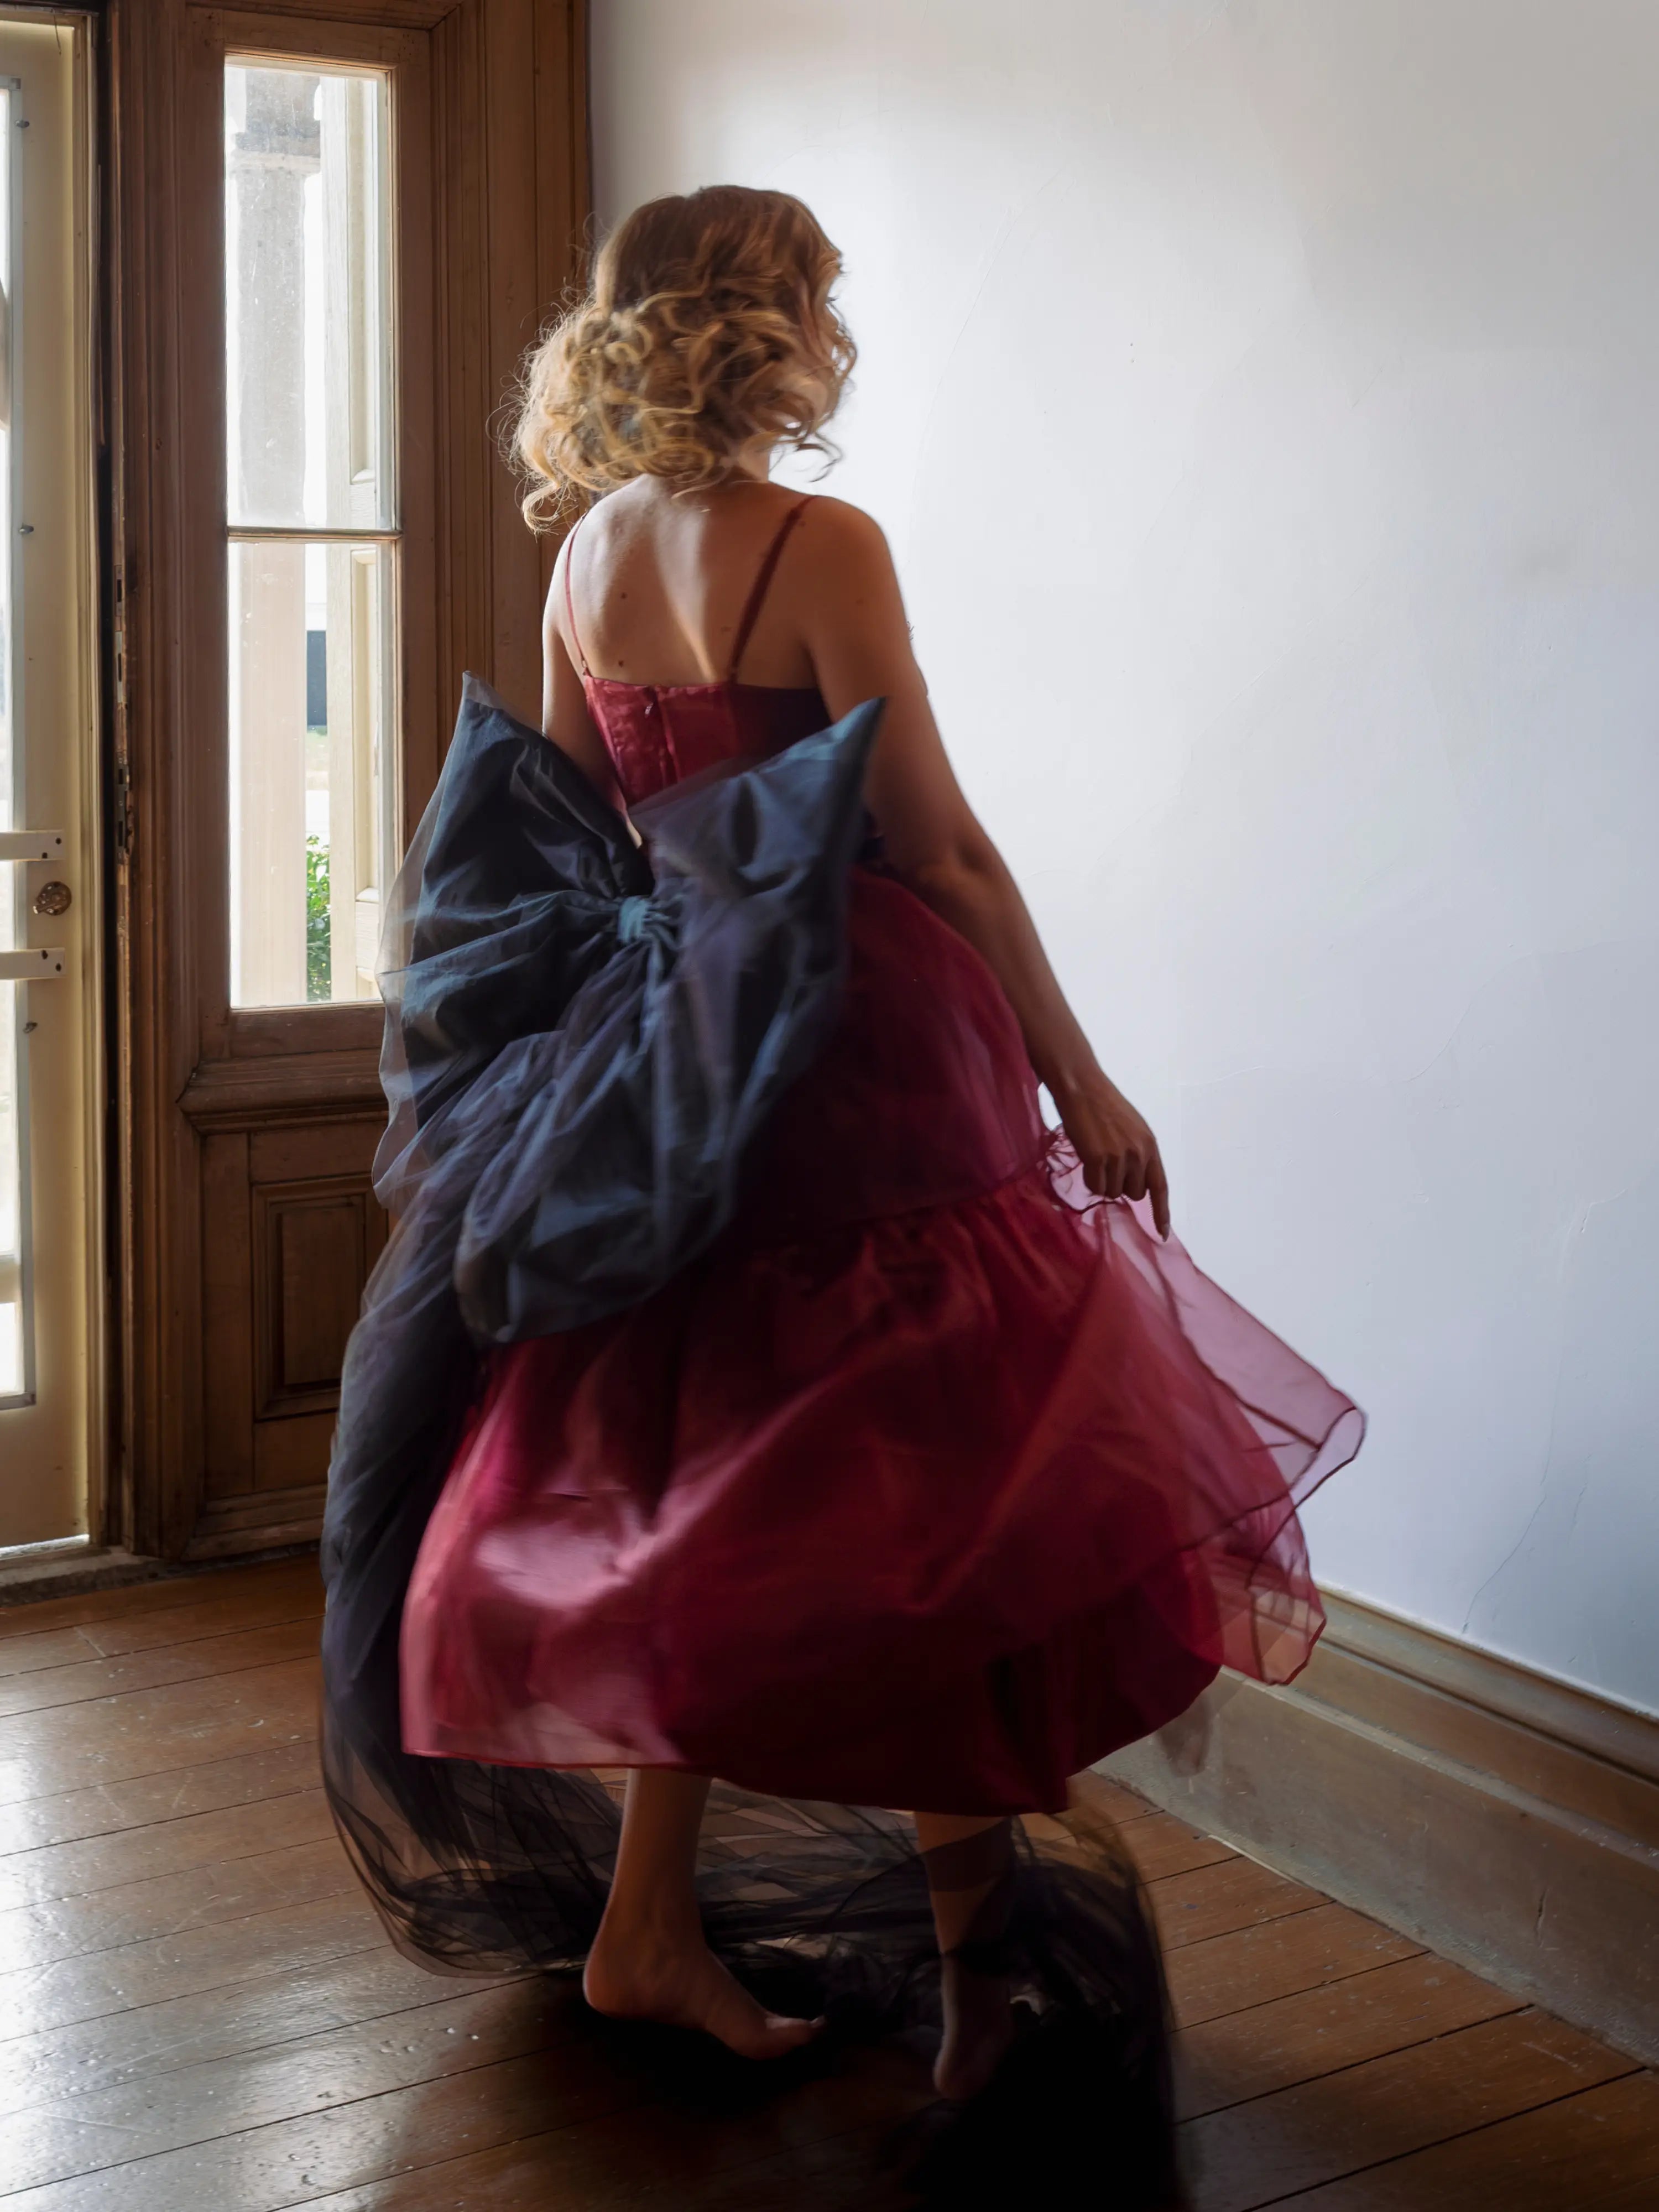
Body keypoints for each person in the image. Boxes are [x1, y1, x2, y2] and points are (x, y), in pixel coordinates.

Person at [319, 183, 1362, 2166]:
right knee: (916, 1510)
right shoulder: (817, 542)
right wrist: (1086, 1070)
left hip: (684, 1061)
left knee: (728, 1489)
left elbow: (577, 847)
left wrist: (605, 1061)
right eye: (820, 295)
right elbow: (941, 850)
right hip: (865, 1049)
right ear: (773, 325)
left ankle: (651, 1930)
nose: (834, 321)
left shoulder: (589, 552)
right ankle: (980, 1984)